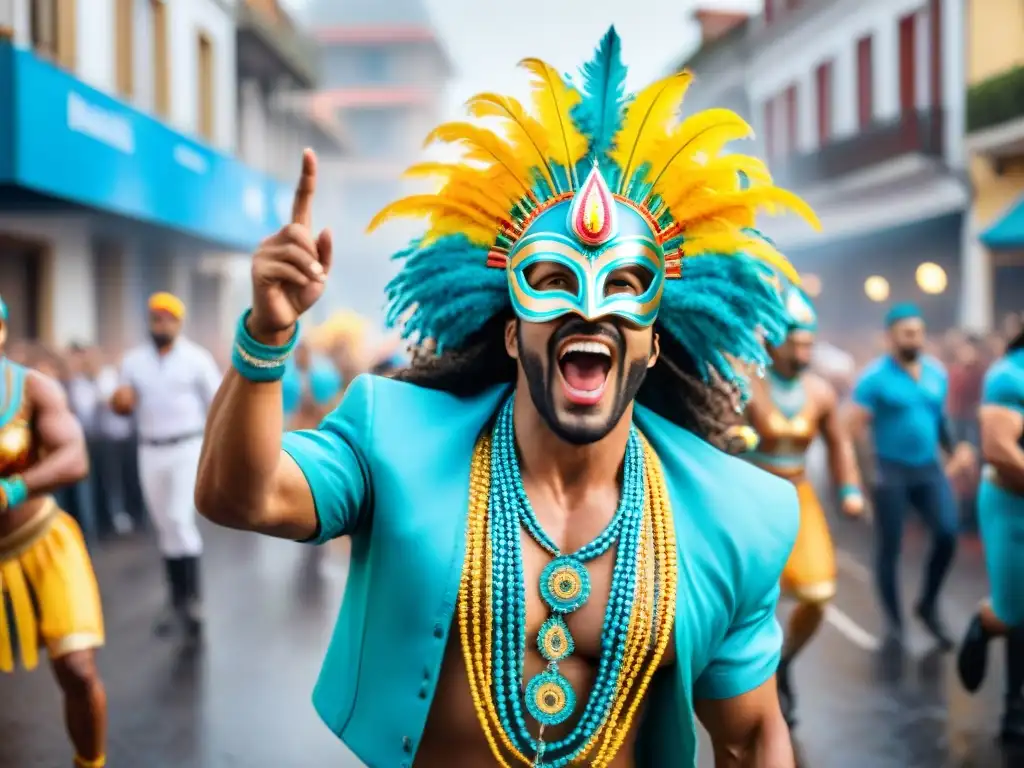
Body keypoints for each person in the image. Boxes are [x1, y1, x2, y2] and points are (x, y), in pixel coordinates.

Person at [196, 28, 820, 767]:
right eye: (553, 281)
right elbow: (245, 497)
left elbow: (750, 734)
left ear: (654, 340)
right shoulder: (390, 436)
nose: (589, 309)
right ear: (508, 330)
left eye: (624, 287)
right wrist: (266, 337)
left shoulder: (736, 513)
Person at [731, 284, 864, 727]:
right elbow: (721, 435)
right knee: (754, 599)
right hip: (751, 497)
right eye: (795, 340)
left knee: (818, 591)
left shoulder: (821, 391)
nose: (804, 349)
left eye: (809, 341)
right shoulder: (746, 383)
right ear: (772, 338)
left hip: (798, 494)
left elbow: (840, 445)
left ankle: (784, 662)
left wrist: (850, 489)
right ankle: (755, 682)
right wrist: (734, 442)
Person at [0, 295, 107, 767]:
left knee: (78, 670)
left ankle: (91, 762)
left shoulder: (32, 388)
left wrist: (13, 490)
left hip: (42, 542)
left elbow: (74, 457)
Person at [848, 303, 975, 649]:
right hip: (891, 471)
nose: (914, 338)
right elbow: (856, 430)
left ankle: (927, 603)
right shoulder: (873, 378)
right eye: (907, 333)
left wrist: (954, 450)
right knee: (890, 546)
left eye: (918, 332)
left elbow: (939, 420)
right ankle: (894, 622)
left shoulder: (936, 372)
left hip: (928, 469)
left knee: (948, 534)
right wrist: (864, 477)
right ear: (890, 337)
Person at [110, 292, 221, 642]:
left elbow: (217, 404)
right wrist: (120, 403)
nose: (161, 324)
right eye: (155, 318)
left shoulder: (196, 360)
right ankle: (177, 601)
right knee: (164, 526)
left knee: (177, 518)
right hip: (150, 448)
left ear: (179, 322)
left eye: (167, 319)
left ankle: (194, 600)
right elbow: (121, 402)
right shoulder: (133, 361)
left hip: (186, 446)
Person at [956, 327, 1024, 744]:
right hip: (1012, 503)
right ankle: (986, 622)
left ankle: (1015, 704)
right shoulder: (1008, 376)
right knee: (1016, 613)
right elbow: (999, 449)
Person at [282, 338, 342, 431]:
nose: (300, 357)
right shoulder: (289, 378)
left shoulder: (322, 376)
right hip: (296, 413)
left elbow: (327, 398)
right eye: (298, 354)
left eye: (303, 353)